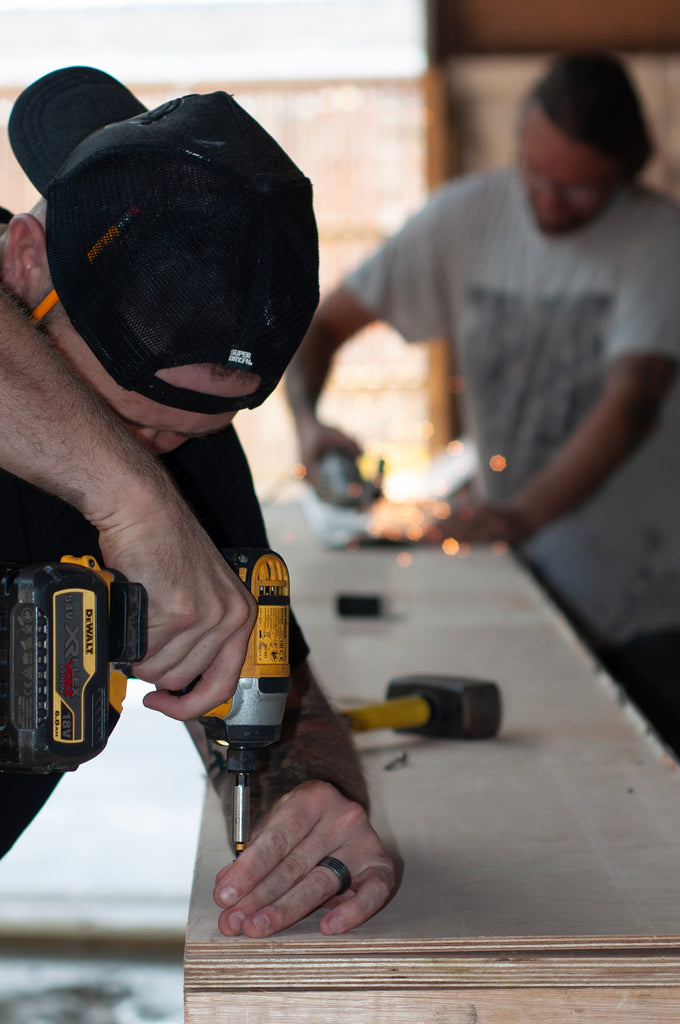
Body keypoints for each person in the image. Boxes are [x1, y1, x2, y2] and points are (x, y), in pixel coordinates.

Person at [0, 66, 395, 938]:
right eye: (125, 418)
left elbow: (263, 675)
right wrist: (134, 502)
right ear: (26, 263)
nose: (163, 454)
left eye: (189, 436)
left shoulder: (183, 425)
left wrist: (310, 795)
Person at [285, 53, 680, 754]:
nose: (551, 203)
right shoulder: (470, 217)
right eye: (539, 175)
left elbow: (632, 407)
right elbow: (319, 327)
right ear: (521, 142)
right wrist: (311, 425)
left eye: (580, 189)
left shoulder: (660, 243)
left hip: (650, 606)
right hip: (521, 587)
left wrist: (518, 515)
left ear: (626, 169)